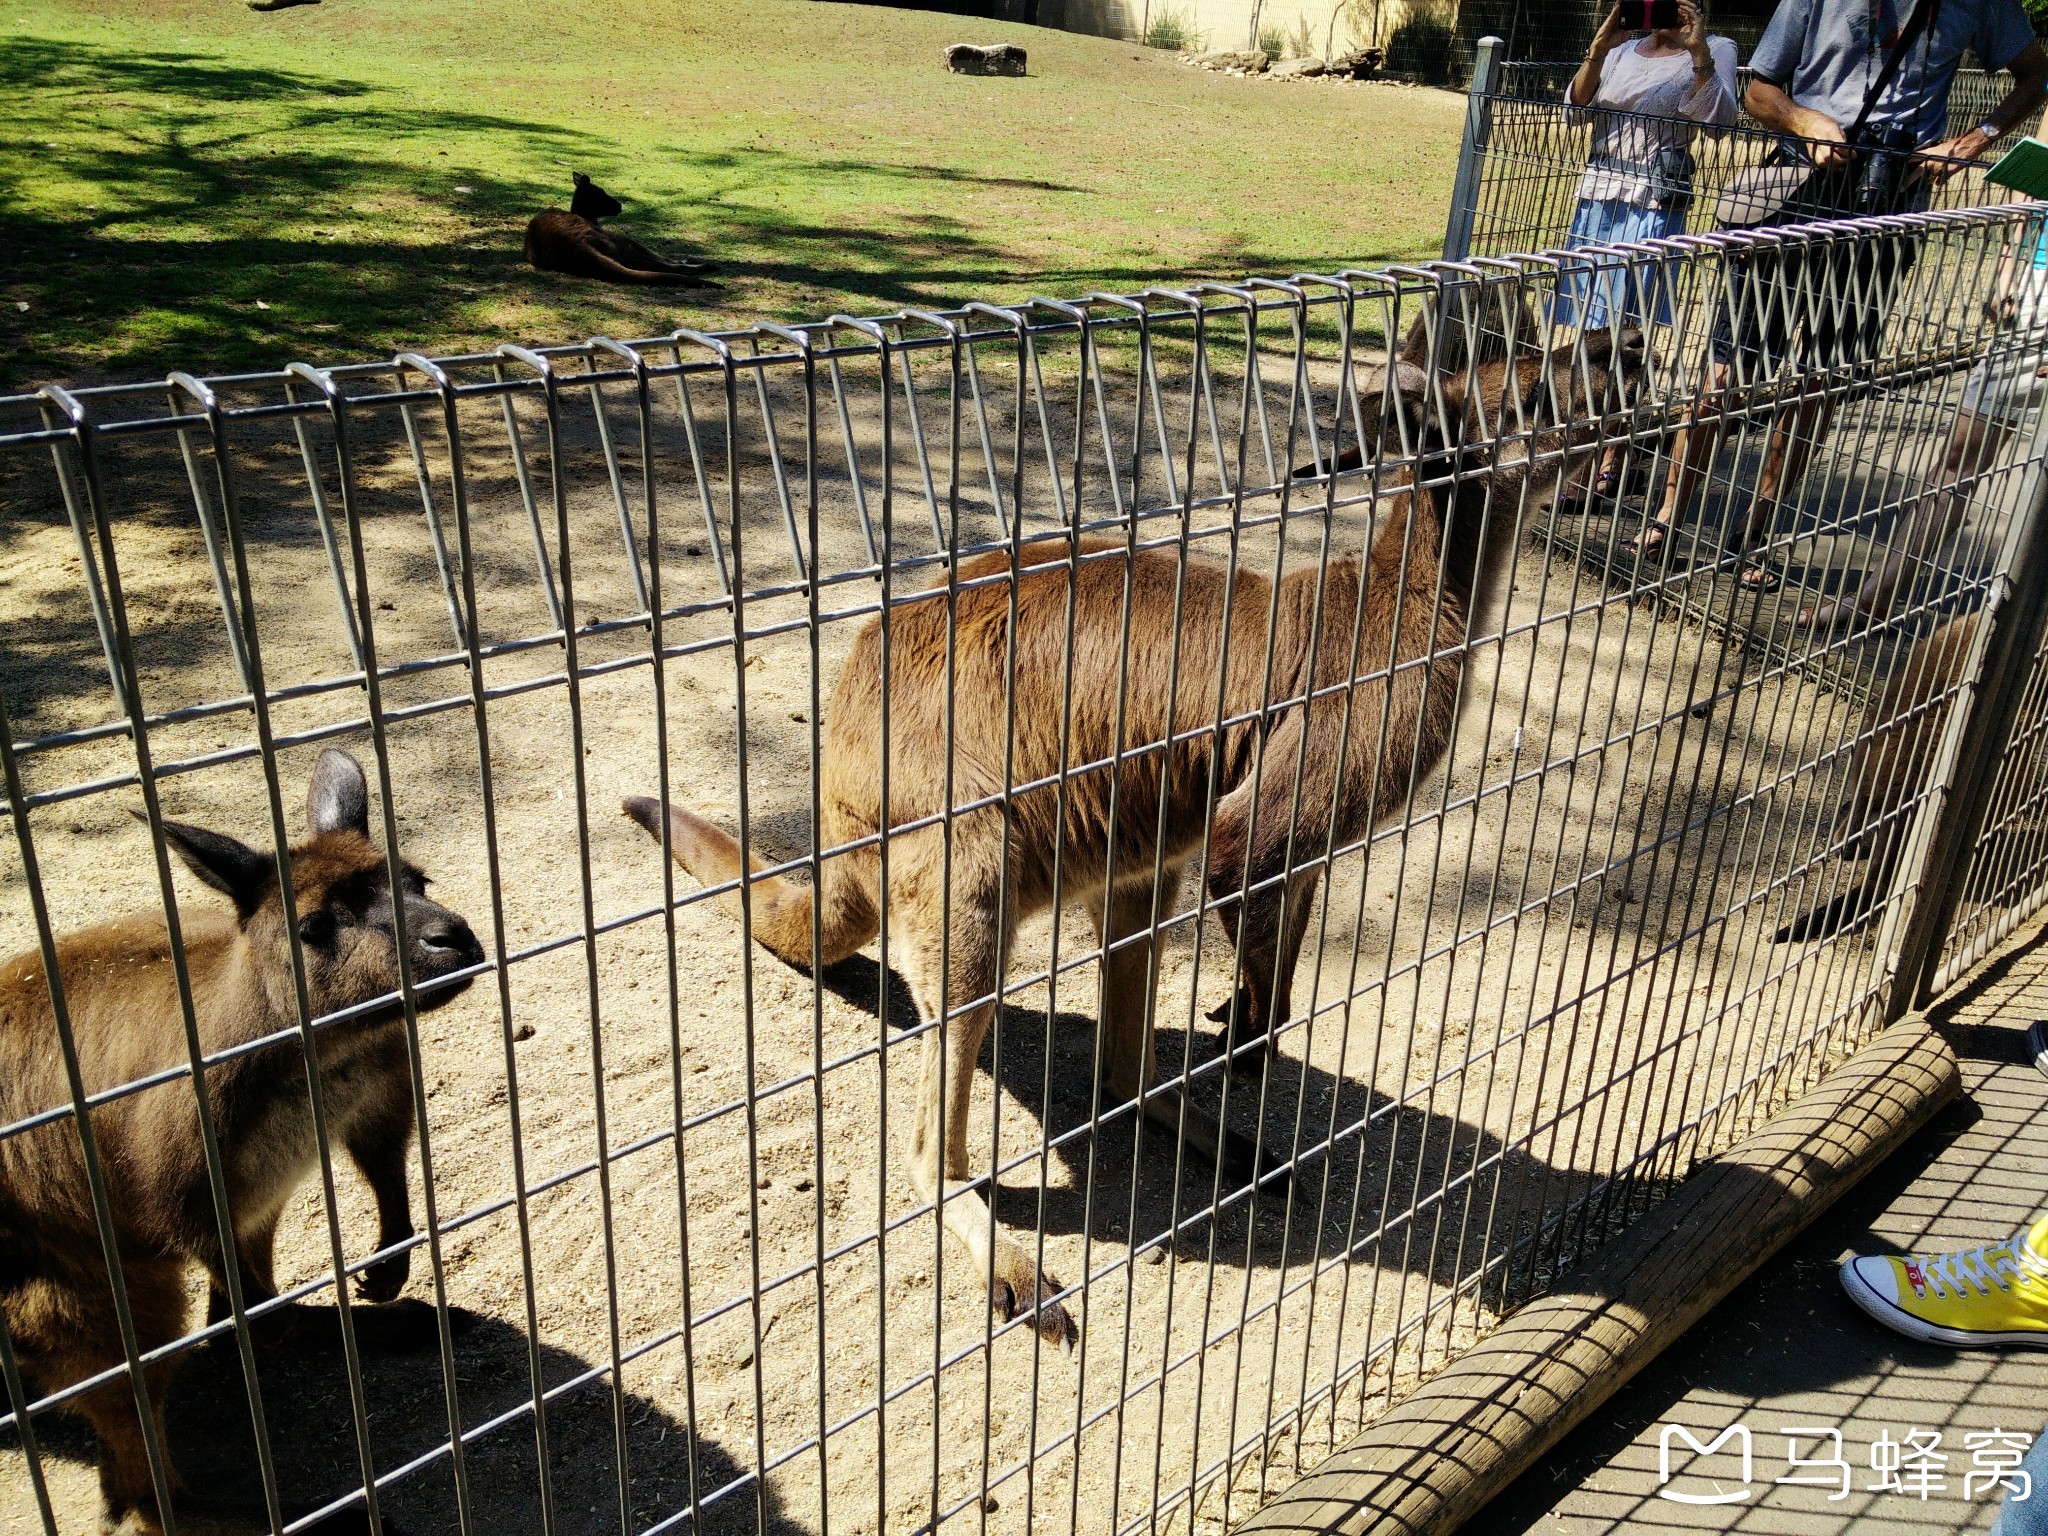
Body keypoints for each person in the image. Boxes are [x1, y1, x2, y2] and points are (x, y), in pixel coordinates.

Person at [1621, 0, 2048, 573]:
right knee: (1730, 368)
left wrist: (1973, 140)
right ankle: (1668, 515)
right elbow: (1759, 92)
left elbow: (2037, 71)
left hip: (1889, 210)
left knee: (1822, 378)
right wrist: (1805, 122)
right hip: (1796, 195)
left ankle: (1755, 529)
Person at [1796, 207, 2048, 628]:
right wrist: (2006, 278)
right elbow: (2028, 195)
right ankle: (1873, 599)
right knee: (1954, 463)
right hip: (2031, 302)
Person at [1553, 0, 1740, 512]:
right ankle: (1587, 453)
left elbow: (1721, 122)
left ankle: (1606, 460)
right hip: (1598, 196)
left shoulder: (1716, 48)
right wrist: (1598, 50)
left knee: (1624, 334)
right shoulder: (1620, 50)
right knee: (1590, 332)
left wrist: (1698, 52)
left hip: (1653, 201)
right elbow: (1573, 112)